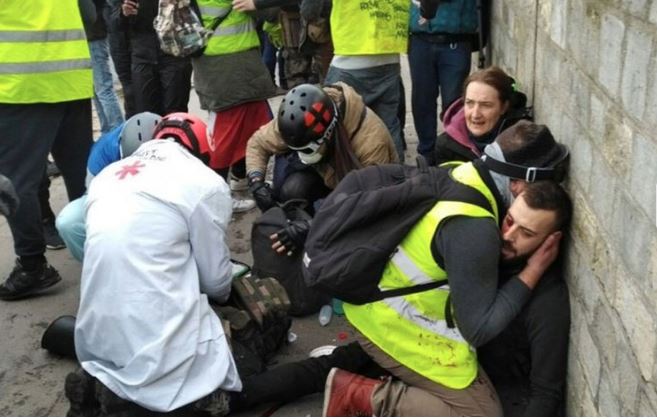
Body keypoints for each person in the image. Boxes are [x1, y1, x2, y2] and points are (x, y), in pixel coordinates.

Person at [317, 120, 571, 416]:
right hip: (387, 322)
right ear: (519, 185)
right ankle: (363, 396)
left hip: (375, 302)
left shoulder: (460, 171)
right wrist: (534, 270)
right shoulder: (474, 226)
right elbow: (478, 330)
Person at [0, 1, 94, 301]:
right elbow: (90, 15)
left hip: (22, 89)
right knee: (82, 174)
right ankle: (103, 247)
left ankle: (32, 266)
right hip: (72, 80)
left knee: (15, 181)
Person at [246, 82, 398, 214]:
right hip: (326, 171)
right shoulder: (299, 118)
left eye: (306, 150)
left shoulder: (371, 143)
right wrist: (256, 182)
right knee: (291, 190)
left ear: (329, 134)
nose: (301, 155)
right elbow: (257, 143)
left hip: (363, 191)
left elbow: (373, 204)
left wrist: (312, 226)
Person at [192, 0, 276, 213]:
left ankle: (240, 177)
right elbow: (271, 11)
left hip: (220, 64)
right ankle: (216, 199)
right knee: (225, 140)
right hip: (230, 66)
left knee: (251, 126)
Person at [55, 112, 162, 262]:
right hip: (115, 199)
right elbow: (96, 203)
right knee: (68, 221)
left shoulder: (178, 140)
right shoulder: (101, 153)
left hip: (160, 202)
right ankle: (102, 269)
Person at [408, 0, 479, 161]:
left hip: (456, 37)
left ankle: (452, 151)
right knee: (422, 100)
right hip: (420, 37)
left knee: (453, 103)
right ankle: (427, 153)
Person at [433, 66, 530, 165]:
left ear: (503, 107)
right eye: (470, 103)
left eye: (486, 105)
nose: (475, 114)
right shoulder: (446, 145)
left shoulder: (522, 142)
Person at [112, 0, 192, 115]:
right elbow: (113, 23)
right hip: (142, 54)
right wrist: (123, 13)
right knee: (146, 115)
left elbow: (191, 9)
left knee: (174, 113)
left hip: (174, 51)